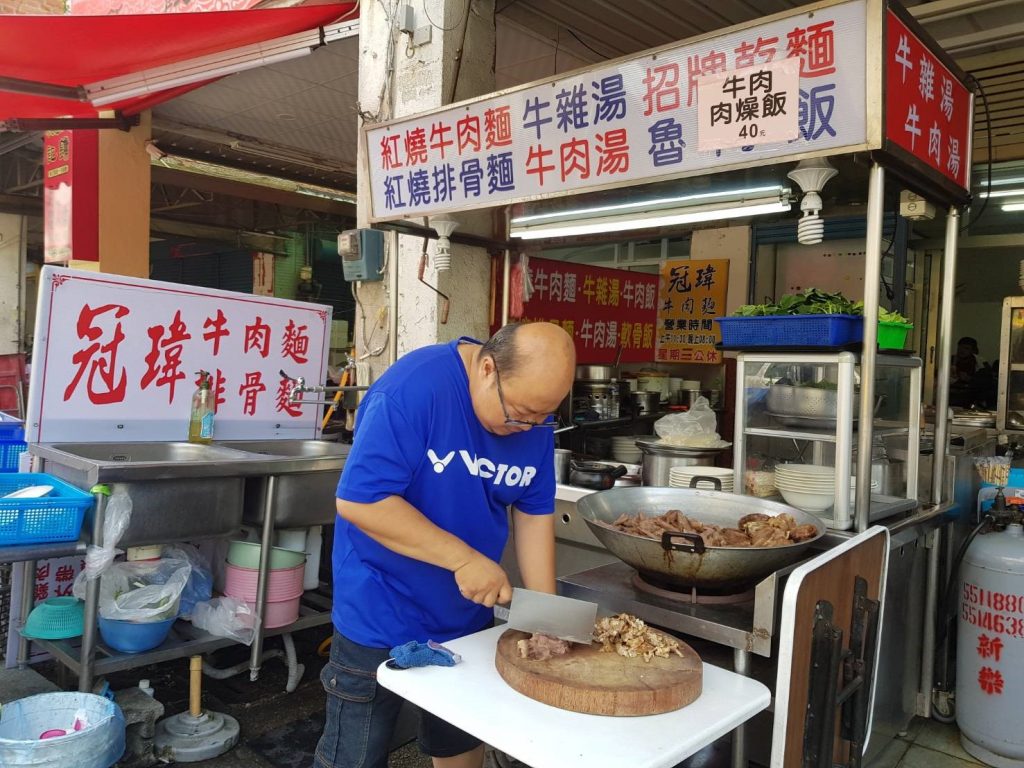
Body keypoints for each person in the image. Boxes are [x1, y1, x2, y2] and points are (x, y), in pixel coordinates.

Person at [315, 322, 576, 768]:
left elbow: (533, 510)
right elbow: (361, 500)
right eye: (521, 413)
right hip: (380, 605)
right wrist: (463, 559)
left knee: (458, 739)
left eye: (543, 417)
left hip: (464, 613)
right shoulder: (414, 391)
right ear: (487, 369)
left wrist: (547, 614)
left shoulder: (532, 417)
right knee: (354, 752)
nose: (530, 427)